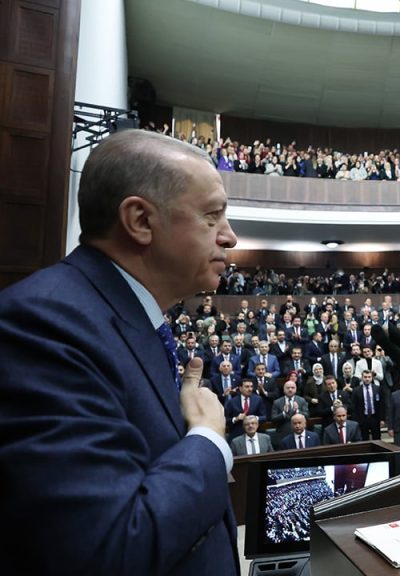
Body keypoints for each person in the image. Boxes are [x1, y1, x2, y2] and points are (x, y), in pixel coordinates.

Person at [0, 130, 240, 575]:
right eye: (212, 216)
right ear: (140, 221)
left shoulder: (127, 316)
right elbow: (110, 547)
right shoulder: (44, 326)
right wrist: (207, 439)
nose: (230, 237)